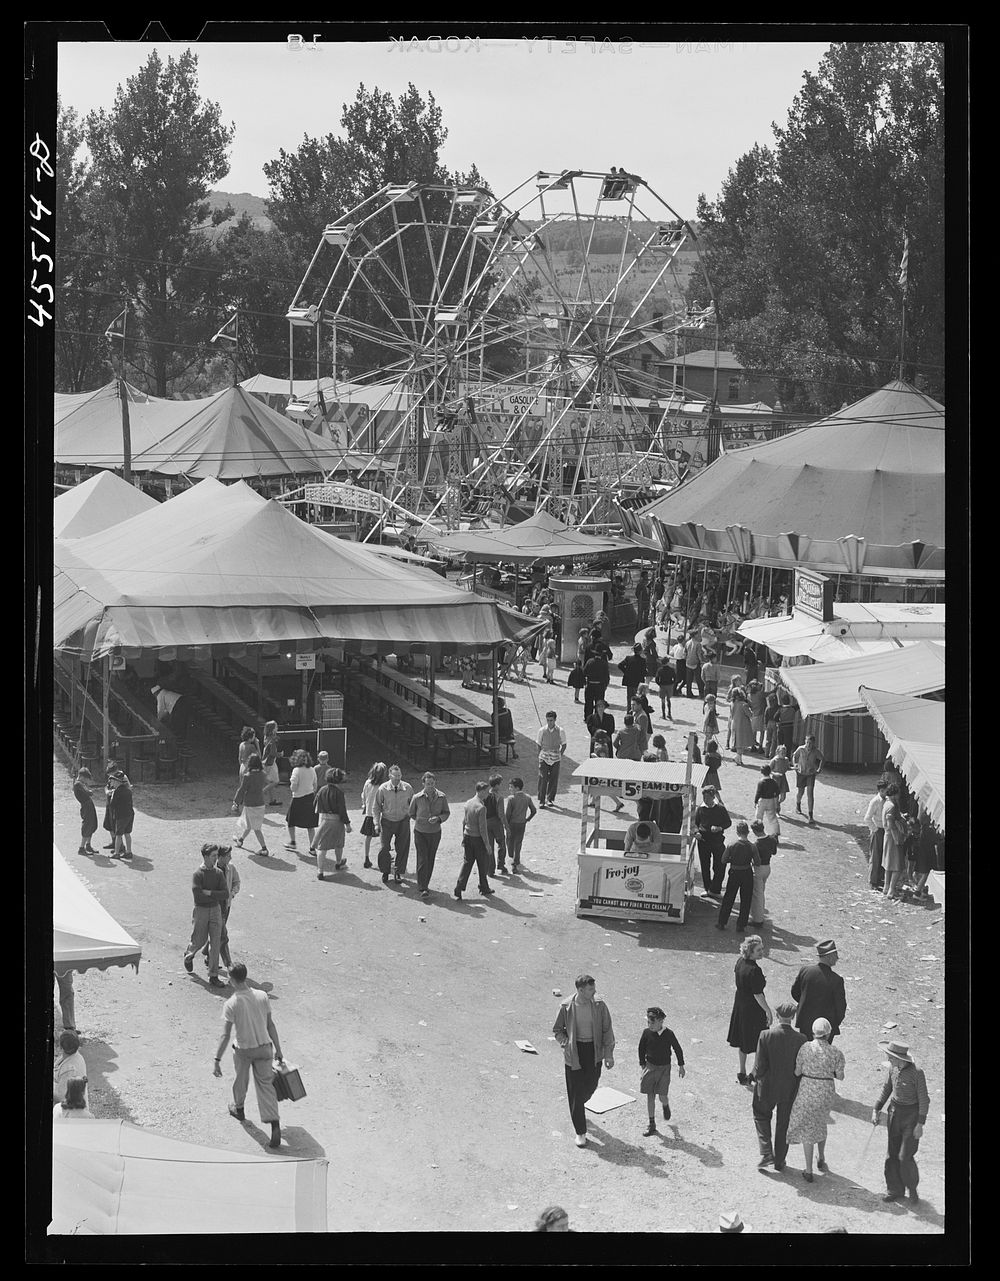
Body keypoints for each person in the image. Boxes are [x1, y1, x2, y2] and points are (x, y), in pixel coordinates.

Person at [213, 961, 285, 1150]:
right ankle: (274, 1123)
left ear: (232, 980)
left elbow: (226, 1035)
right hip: (265, 1048)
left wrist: (217, 1060)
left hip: (244, 1050)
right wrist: (278, 1049)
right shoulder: (262, 996)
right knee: (266, 1086)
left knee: (241, 1081)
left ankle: (239, 1109)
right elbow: (271, 1025)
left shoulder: (231, 1004)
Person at [552, 975, 615, 1148]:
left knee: (590, 1086)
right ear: (580, 990)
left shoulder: (599, 1005)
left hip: (593, 1051)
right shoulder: (566, 1006)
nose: (594, 992)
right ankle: (581, 1131)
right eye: (590, 990)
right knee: (575, 1094)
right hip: (574, 1052)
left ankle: (580, 1104)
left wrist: (608, 1054)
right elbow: (558, 1030)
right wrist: (565, 1043)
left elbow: (607, 1030)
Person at [785, 1018, 846, 1182]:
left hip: (807, 1088)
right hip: (825, 1091)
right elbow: (840, 1076)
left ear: (813, 1032)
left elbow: (797, 1072)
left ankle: (808, 1169)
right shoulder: (836, 1052)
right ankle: (821, 1157)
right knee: (821, 1121)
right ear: (828, 1033)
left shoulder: (805, 1048)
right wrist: (828, 1072)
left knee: (807, 1129)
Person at [872, 1040, 930, 1204]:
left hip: (911, 1118)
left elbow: (924, 1100)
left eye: (891, 1057)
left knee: (905, 1156)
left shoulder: (917, 1073)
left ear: (900, 1058)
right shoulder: (893, 1069)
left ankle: (911, 1188)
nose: (888, 1060)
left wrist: (920, 1124)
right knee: (892, 1154)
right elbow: (886, 1089)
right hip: (895, 1114)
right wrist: (876, 1109)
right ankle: (894, 1189)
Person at [751, 1000, 806, 1171]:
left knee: (761, 1115)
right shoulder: (801, 1039)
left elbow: (759, 1066)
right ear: (793, 1016)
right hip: (789, 1088)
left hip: (767, 1085)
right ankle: (780, 1161)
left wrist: (754, 1077)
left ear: (776, 1016)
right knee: (784, 1123)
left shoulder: (765, 1035)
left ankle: (767, 1152)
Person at [726, 933, 771, 1084]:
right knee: (760, 1042)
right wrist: (768, 1011)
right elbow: (758, 995)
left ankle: (742, 1071)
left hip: (740, 1005)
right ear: (750, 952)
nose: (762, 952)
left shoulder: (740, 962)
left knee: (743, 1041)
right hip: (752, 1009)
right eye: (758, 950)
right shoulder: (754, 970)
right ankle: (753, 1073)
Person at [182, 844, 228, 986]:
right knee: (199, 939)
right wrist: (215, 895)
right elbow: (198, 897)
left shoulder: (218, 873)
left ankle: (213, 975)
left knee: (215, 942)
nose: (216, 858)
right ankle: (189, 954)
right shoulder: (198, 874)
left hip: (215, 911)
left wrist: (210, 893)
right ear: (206, 856)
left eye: (216, 855)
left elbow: (225, 893)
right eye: (213, 856)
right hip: (201, 910)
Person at [638, 1006, 686, 1136]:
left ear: (661, 1021)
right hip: (650, 1067)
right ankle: (652, 1124)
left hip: (664, 1069)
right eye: (648, 1022)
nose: (650, 1025)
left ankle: (665, 1105)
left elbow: (677, 1049)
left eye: (652, 1022)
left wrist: (681, 1066)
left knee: (662, 1096)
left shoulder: (669, 1034)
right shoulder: (646, 1033)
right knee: (650, 1095)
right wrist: (642, 1063)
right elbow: (641, 1047)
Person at [791, 941, 847, 1042]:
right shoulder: (836, 980)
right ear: (829, 956)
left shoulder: (805, 971)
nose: (837, 958)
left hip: (805, 1023)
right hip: (825, 1028)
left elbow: (795, 993)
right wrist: (833, 1023)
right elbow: (840, 1008)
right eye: (835, 955)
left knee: (806, 1052)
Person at [407, 771, 450, 897]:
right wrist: (421, 821)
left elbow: (446, 812)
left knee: (430, 858)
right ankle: (422, 887)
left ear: (435, 783)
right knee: (422, 858)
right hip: (420, 832)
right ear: (423, 784)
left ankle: (426, 882)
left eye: (432, 783)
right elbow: (411, 813)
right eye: (428, 783)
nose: (430, 786)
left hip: (435, 833)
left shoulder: (441, 797)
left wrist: (438, 819)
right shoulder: (417, 798)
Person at [716, 822, 761, 933]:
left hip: (734, 872)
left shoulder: (731, 845)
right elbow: (758, 862)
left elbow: (723, 860)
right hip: (747, 873)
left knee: (729, 897)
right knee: (746, 899)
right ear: (748, 832)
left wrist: (732, 860)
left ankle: (722, 922)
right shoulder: (752, 846)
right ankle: (741, 925)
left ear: (737, 832)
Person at [373, 764, 414, 884]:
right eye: (395, 776)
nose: (397, 778)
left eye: (399, 775)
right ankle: (385, 871)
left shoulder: (408, 788)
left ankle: (398, 872)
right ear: (389, 776)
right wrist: (376, 823)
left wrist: (411, 816)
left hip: (403, 821)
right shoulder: (383, 789)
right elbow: (376, 807)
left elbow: (414, 805)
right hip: (387, 821)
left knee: (402, 848)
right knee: (384, 847)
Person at [454, 780, 494, 900]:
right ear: (481, 791)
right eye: (486, 792)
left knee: (467, 863)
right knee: (482, 864)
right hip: (477, 839)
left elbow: (464, 822)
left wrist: (463, 837)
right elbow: (483, 829)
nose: (488, 794)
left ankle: (459, 886)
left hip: (467, 836)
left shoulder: (468, 803)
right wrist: (487, 845)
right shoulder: (481, 808)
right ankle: (484, 887)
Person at [203, 844, 241, 970]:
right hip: (214, 908)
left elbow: (236, 882)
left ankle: (207, 954)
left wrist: (232, 893)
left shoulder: (231, 868)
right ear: (221, 857)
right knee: (223, 936)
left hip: (226, 907)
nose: (230, 858)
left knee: (217, 933)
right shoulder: (210, 870)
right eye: (228, 856)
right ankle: (229, 965)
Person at [314, 767, 351, 879]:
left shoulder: (322, 790)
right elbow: (342, 810)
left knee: (322, 847)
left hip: (324, 820)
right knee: (339, 843)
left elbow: (315, 804)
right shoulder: (339, 792)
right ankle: (338, 863)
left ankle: (320, 871)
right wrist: (347, 824)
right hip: (336, 821)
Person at [694, 785, 731, 896]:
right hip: (703, 841)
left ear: (713, 796)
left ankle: (715, 889)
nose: (706, 800)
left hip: (717, 841)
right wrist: (697, 833)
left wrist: (719, 828)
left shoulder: (720, 808)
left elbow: (728, 822)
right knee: (705, 865)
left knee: (719, 865)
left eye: (708, 798)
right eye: (704, 797)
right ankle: (707, 888)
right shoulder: (700, 809)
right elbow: (695, 824)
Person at [232, 753, 270, 855]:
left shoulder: (247, 776)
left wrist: (236, 802)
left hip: (250, 804)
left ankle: (264, 848)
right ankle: (240, 841)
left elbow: (242, 790)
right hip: (260, 803)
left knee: (256, 828)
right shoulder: (263, 774)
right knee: (249, 824)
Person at [285, 749, 318, 854]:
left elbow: (293, 788)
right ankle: (312, 848)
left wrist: (292, 786)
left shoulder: (296, 770)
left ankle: (293, 841)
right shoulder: (312, 769)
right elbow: (315, 785)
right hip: (310, 798)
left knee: (290, 821)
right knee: (310, 825)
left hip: (298, 799)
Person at [881, 783, 908, 901]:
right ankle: (891, 890)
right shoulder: (892, 806)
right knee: (897, 866)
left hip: (888, 836)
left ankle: (886, 888)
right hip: (893, 837)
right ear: (895, 794)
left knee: (888, 864)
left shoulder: (886, 803)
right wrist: (898, 838)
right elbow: (891, 825)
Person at [503, 777, 536, 874]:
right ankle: (516, 860)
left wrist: (506, 825)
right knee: (518, 843)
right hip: (522, 824)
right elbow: (534, 811)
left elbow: (507, 814)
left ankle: (512, 858)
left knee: (509, 842)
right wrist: (527, 819)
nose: (510, 789)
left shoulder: (511, 799)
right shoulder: (527, 797)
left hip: (512, 824)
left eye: (511, 787)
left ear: (517, 788)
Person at [748, 820, 778, 927]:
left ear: (755, 831)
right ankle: (759, 917)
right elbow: (774, 852)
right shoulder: (772, 839)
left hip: (758, 869)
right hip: (767, 868)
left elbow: (755, 860)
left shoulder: (756, 844)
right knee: (761, 892)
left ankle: (758, 919)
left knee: (757, 895)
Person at [535, 710, 567, 809]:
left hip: (555, 758)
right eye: (548, 720)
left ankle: (550, 799)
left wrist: (559, 755)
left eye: (551, 720)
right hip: (544, 757)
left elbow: (564, 744)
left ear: (555, 720)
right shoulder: (542, 730)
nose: (549, 722)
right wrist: (541, 754)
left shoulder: (560, 731)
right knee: (543, 778)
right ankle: (541, 800)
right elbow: (538, 743)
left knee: (553, 779)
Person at [360, 761, 388, 869]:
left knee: (368, 837)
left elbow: (364, 795)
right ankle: (385, 858)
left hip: (369, 814)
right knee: (384, 837)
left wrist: (365, 805)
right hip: (380, 815)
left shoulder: (368, 782)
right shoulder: (384, 786)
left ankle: (366, 857)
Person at [864, 777, 889, 891]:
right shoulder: (875, 801)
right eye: (883, 791)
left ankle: (880, 879)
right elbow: (867, 818)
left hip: (886, 830)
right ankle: (873, 881)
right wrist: (875, 830)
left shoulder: (887, 800)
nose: (885, 793)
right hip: (877, 830)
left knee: (883, 856)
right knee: (875, 857)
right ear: (880, 791)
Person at [792, 735, 824, 824]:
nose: (808, 745)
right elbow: (794, 756)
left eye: (810, 743)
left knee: (810, 793)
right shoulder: (801, 748)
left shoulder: (816, 751)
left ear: (814, 743)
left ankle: (810, 815)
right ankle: (798, 804)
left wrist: (819, 769)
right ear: (805, 741)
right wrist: (795, 764)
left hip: (811, 774)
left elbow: (822, 759)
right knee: (800, 792)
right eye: (807, 742)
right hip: (801, 773)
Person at [910, 811, 941, 901]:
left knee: (919, 872)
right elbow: (936, 840)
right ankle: (917, 892)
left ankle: (924, 891)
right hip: (927, 854)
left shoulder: (922, 829)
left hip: (921, 853)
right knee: (926, 873)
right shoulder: (929, 829)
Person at [107, 768, 134, 860]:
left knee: (118, 834)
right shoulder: (128, 790)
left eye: (113, 781)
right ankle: (129, 852)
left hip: (121, 815)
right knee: (127, 833)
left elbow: (112, 804)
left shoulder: (117, 792)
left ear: (117, 782)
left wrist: (111, 796)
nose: (112, 783)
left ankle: (117, 853)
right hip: (130, 814)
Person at [53, 1030, 87, 1104]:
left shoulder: (69, 1069)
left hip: (70, 1111)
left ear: (61, 1047)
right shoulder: (76, 1056)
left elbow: (61, 1096)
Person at [484, 774, 508, 876]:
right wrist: (506, 826)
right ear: (497, 785)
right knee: (501, 844)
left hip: (486, 823)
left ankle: (490, 869)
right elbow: (501, 814)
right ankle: (501, 865)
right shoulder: (499, 797)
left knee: (489, 846)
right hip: (496, 823)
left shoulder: (484, 795)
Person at [73, 767, 99, 855]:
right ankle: (81, 847)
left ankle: (88, 845)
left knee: (92, 824)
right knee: (87, 825)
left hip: (88, 805)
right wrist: (89, 791)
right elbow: (87, 793)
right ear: (82, 777)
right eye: (86, 778)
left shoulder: (81, 783)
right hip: (86, 805)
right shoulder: (78, 784)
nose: (87, 781)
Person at [582, 645, 610, 720]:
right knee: (599, 703)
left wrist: (585, 682)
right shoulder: (604, 663)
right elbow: (607, 676)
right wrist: (605, 685)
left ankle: (588, 718)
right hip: (600, 686)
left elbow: (584, 673)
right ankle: (597, 717)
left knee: (588, 703)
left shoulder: (589, 661)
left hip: (590, 685)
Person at [729, 687, 754, 768]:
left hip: (734, 724)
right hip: (742, 725)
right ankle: (737, 758)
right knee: (741, 743)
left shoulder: (732, 703)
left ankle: (739, 759)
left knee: (737, 743)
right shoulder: (744, 704)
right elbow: (750, 714)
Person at [753, 765, 781, 838]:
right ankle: (775, 833)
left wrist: (755, 801)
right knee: (772, 818)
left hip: (762, 800)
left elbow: (758, 793)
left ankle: (759, 832)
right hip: (771, 800)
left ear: (762, 772)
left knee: (759, 817)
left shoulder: (761, 782)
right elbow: (777, 791)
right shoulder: (773, 782)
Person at [618, 645, 647, 711]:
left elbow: (620, 665)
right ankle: (636, 712)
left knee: (629, 698)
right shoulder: (642, 660)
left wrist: (626, 672)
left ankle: (629, 712)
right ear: (640, 651)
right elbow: (644, 672)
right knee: (637, 699)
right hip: (638, 682)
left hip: (629, 680)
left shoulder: (628, 658)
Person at [261, 721, 281, 805]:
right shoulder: (272, 740)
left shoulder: (266, 738)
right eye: (276, 727)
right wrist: (280, 754)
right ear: (273, 729)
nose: (277, 728)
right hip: (271, 763)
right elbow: (273, 753)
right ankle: (261, 793)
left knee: (270, 782)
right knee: (275, 781)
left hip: (265, 762)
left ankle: (271, 800)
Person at [769, 744, 791, 810]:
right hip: (775, 779)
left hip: (783, 778)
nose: (784, 754)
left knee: (783, 797)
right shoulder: (774, 760)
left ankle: (778, 803)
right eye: (782, 753)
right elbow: (768, 770)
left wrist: (794, 768)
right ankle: (776, 810)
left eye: (785, 753)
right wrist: (775, 774)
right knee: (776, 795)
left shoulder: (786, 760)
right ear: (777, 753)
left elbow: (788, 768)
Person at [747, 680, 767, 751]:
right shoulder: (759, 694)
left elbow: (749, 705)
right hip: (761, 714)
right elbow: (768, 694)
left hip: (753, 715)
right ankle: (760, 746)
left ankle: (753, 746)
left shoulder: (749, 695)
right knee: (762, 731)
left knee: (754, 731)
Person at [654, 654, 674, 720]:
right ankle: (669, 713)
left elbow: (656, 679)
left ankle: (663, 715)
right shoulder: (671, 669)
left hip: (662, 685)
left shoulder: (660, 670)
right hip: (669, 685)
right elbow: (675, 678)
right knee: (668, 700)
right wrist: (672, 683)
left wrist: (660, 684)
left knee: (662, 700)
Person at [684, 633, 704, 698]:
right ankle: (701, 693)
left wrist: (686, 658)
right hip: (695, 662)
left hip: (688, 662)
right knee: (699, 679)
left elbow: (685, 653)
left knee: (689, 679)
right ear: (695, 635)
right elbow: (699, 654)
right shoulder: (698, 644)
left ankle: (688, 693)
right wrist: (701, 661)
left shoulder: (687, 643)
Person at [763, 693, 781, 758]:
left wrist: (765, 724)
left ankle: (766, 753)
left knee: (768, 739)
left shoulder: (768, 708)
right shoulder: (778, 707)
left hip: (769, 723)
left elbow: (765, 716)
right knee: (774, 740)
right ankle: (771, 754)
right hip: (775, 723)